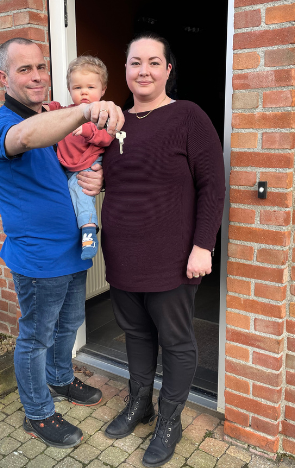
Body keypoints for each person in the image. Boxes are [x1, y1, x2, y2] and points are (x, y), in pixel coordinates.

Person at [0, 37, 125, 449]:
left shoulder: (56, 120)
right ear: (4, 77)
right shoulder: (1, 128)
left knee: (70, 323)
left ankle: (60, 379)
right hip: (39, 258)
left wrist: (98, 180)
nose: (36, 76)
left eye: (41, 67)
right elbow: (26, 137)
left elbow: (76, 168)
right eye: (24, 69)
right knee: (36, 337)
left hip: (72, 251)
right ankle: (38, 413)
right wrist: (85, 109)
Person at [101, 34, 225, 467]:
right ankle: (140, 404)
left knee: (175, 341)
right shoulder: (114, 123)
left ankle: (169, 421)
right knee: (136, 334)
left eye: (154, 62)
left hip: (172, 258)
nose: (144, 71)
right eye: (136, 62)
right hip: (122, 253)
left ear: (168, 70)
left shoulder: (188, 116)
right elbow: (110, 174)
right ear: (126, 70)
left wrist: (203, 245)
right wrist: (92, 178)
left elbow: (213, 186)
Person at [49, 56, 115, 260]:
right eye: (77, 87)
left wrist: (88, 130)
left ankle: (89, 231)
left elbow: (106, 137)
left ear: (103, 89)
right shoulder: (66, 113)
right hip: (67, 165)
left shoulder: (102, 114)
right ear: (69, 89)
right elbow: (49, 112)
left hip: (88, 163)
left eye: (90, 87)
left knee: (81, 192)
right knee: (68, 196)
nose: (84, 92)